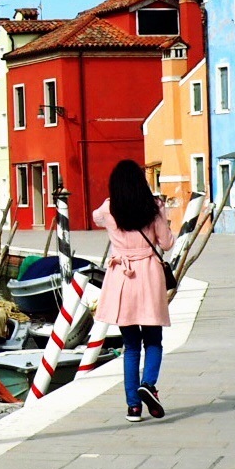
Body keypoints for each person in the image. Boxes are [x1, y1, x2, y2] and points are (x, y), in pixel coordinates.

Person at [92, 159, 174, 423]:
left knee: (130, 346)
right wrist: (163, 215)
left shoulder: (108, 209)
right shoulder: (153, 207)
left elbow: (95, 218)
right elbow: (167, 243)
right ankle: (148, 385)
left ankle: (133, 407)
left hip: (122, 279)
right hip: (148, 276)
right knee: (153, 340)